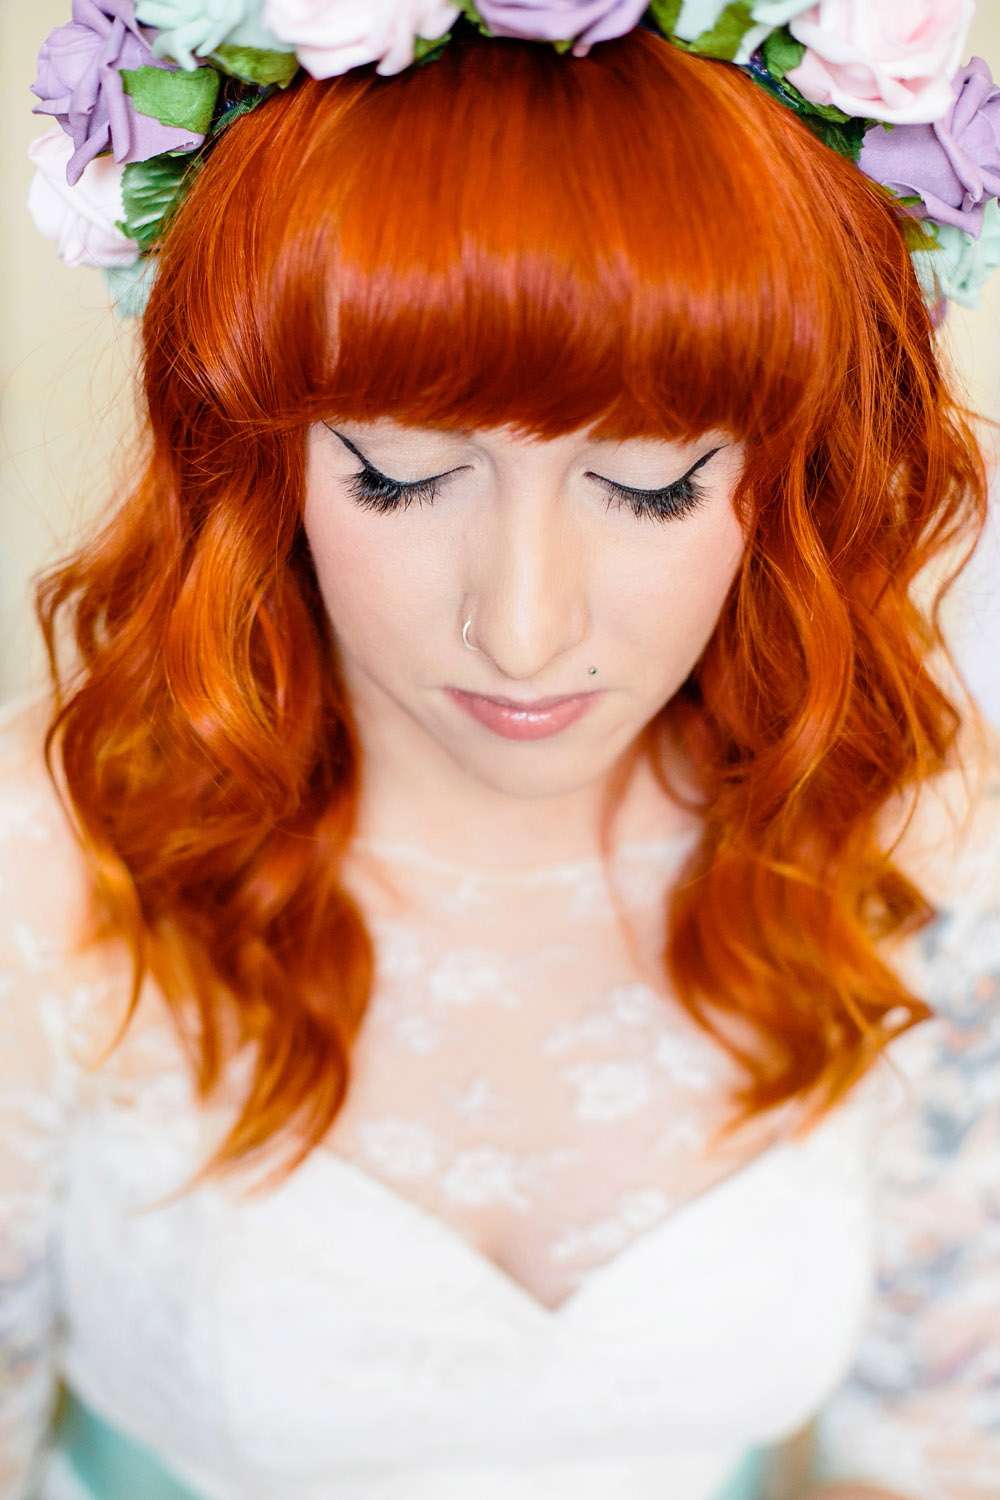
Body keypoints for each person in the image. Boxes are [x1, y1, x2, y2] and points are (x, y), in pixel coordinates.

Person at [4, 4, 1000, 1498]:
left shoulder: (915, 839)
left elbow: (933, 1449)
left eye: (653, 489)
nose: (526, 634)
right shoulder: (49, 865)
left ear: (791, 470)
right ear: (255, 450)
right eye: (401, 476)